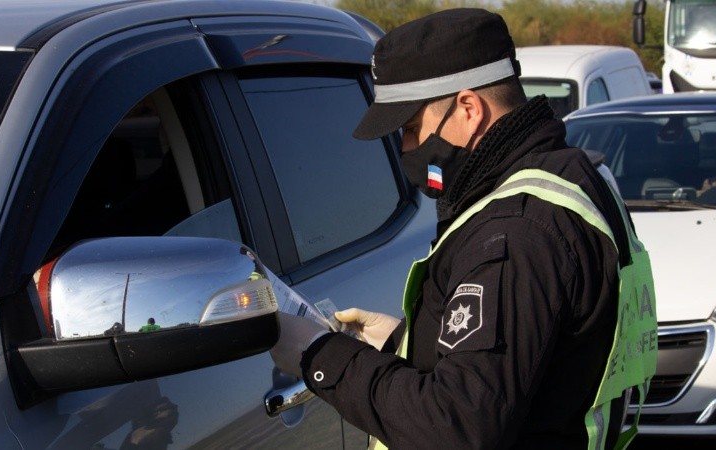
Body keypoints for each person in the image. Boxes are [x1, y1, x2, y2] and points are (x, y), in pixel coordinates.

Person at [271, 8, 657, 449]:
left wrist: (319, 354)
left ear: (469, 109)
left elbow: (454, 427)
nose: (406, 148)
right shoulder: (571, 176)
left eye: (411, 128)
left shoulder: (515, 231)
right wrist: (405, 341)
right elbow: (534, 355)